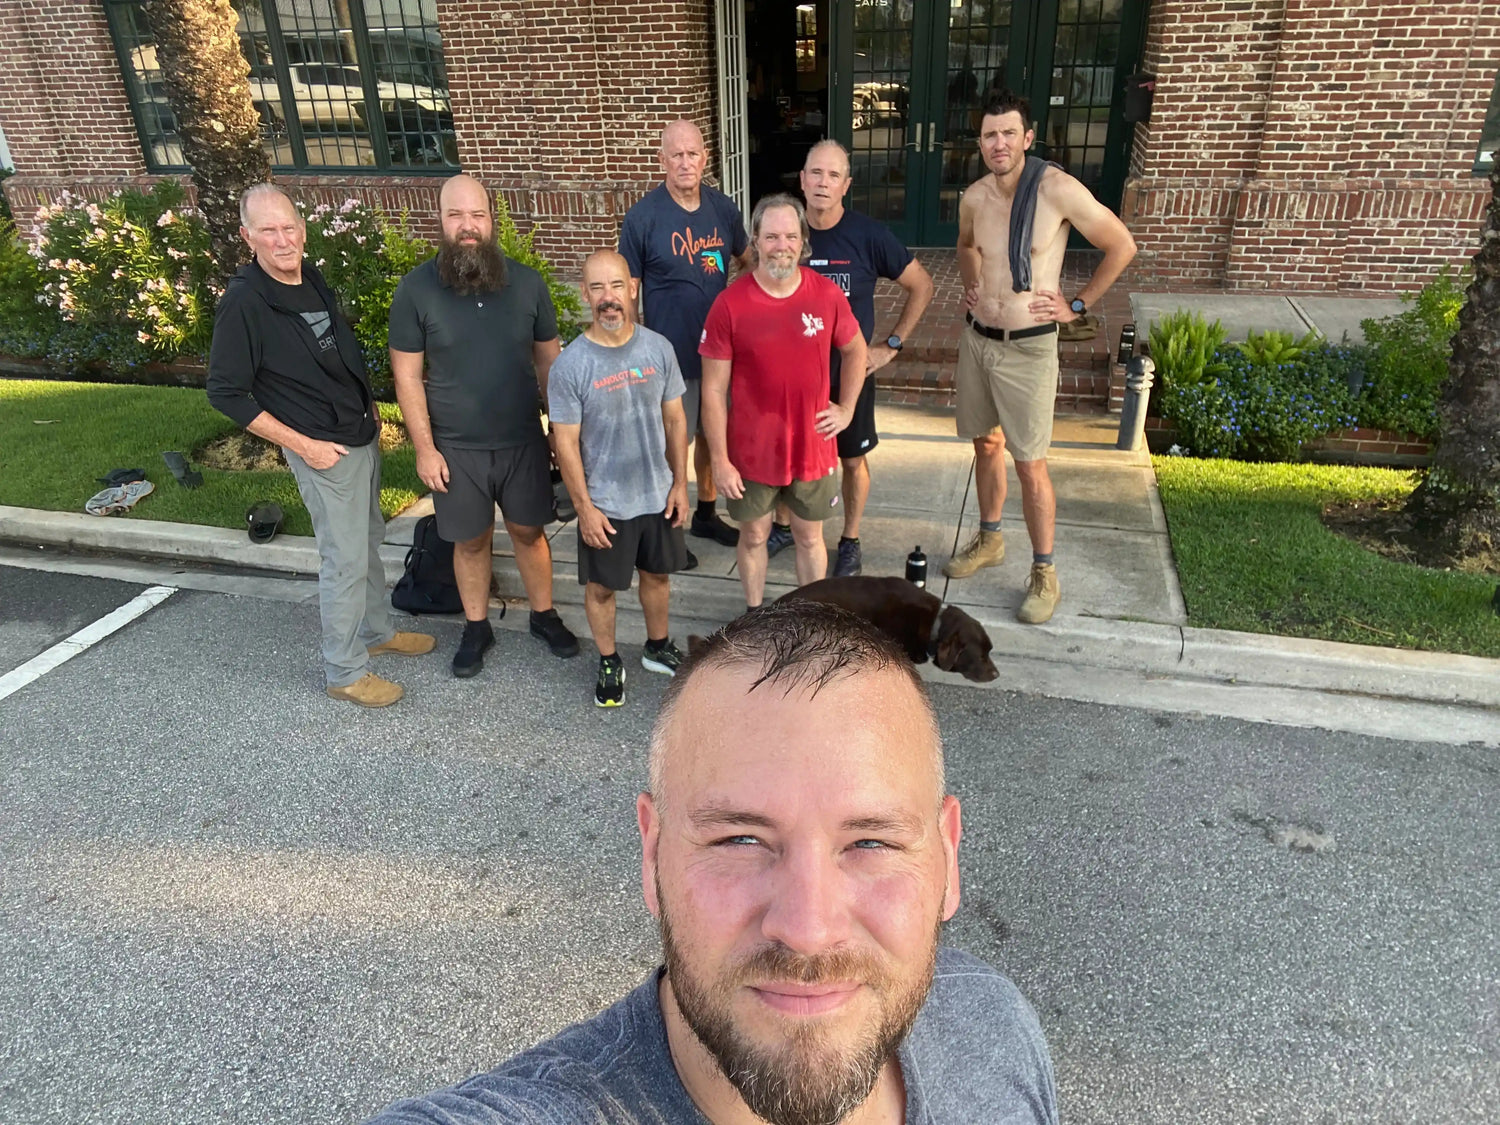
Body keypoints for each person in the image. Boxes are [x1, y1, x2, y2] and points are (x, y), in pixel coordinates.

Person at [364, 601, 1058, 1124]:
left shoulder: (994, 1023)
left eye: (870, 840)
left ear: (947, 855)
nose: (808, 929)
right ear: (652, 852)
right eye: (739, 839)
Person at [207, 184, 434, 709]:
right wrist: (303, 446)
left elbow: (333, 350)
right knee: (345, 559)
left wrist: (366, 405)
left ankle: (376, 633)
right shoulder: (244, 302)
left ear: (302, 230)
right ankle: (345, 670)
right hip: (322, 449)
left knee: (369, 539)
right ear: (248, 237)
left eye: (289, 227)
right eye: (268, 230)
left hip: (358, 432)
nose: (282, 239)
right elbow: (224, 392)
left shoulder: (308, 275)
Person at [945, 90, 1136, 625]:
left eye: (1009, 133)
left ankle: (1045, 572)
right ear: (979, 143)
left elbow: (1121, 244)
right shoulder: (975, 197)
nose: (998, 143)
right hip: (979, 339)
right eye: (989, 134)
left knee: (1030, 465)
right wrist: (972, 283)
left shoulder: (1056, 189)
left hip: (1029, 348)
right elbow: (965, 246)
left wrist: (1076, 304)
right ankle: (989, 540)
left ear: (1027, 138)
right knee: (985, 444)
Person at [389, 173, 580, 678]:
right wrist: (425, 448)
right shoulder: (416, 290)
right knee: (470, 540)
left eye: (477, 215)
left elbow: (550, 365)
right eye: (456, 215)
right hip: (455, 448)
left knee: (528, 530)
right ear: (441, 221)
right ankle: (476, 627)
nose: (467, 226)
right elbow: (406, 377)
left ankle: (544, 615)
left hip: (520, 439)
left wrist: (560, 432)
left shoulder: (527, 283)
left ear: (492, 221)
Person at [764, 140, 936, 577]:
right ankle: (785, 526)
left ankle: (850, 539)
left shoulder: (869, 236)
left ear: (846, 185)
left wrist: (891, 345)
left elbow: (922, 285)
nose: (823, 183)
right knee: (789, 455)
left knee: (853, 460)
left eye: (833, 175)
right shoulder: (787, 235)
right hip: (791, 375)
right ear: (801, 180)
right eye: (815, 173)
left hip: (849, 374)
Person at [700, 194, 868, 610]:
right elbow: (712, 391)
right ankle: (755, 614)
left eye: (791, 236)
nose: (782, 245)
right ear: (755, 239)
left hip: (811, 446)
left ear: (803, 240)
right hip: (752, 452)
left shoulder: (825, 295)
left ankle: (811, 617)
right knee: (755, 535)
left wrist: (845, 408)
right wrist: (720, 460)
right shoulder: (729, 304)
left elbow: (856, 350)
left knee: (809, 537)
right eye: (772, 236)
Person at [548, 250, 691, 708]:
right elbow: (564, 444)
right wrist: (585, 508)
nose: (607, 298)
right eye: (597, 288)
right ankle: (609, 659)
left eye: (616, 286)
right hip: (606, 502)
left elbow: (675, 422)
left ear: (632, 289)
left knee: (658, 576)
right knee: (602, 588)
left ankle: (657, 645)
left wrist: (680, 484)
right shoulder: (571, 365)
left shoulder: (658, 348)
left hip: (657, 493)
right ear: (585, 294)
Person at [619, 119, 752, 562]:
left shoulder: (723, 210)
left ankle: (707, 514)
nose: (685, 162)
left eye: (692, 153)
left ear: (705, 158)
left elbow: (750, 263)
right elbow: (628, 291)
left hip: (718, 355)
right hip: (667, 357)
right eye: (675, 154)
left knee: (715, 441)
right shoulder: (643, 217)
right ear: (662, 161)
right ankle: (667, 530)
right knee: (672, 447)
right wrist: (634, 350)